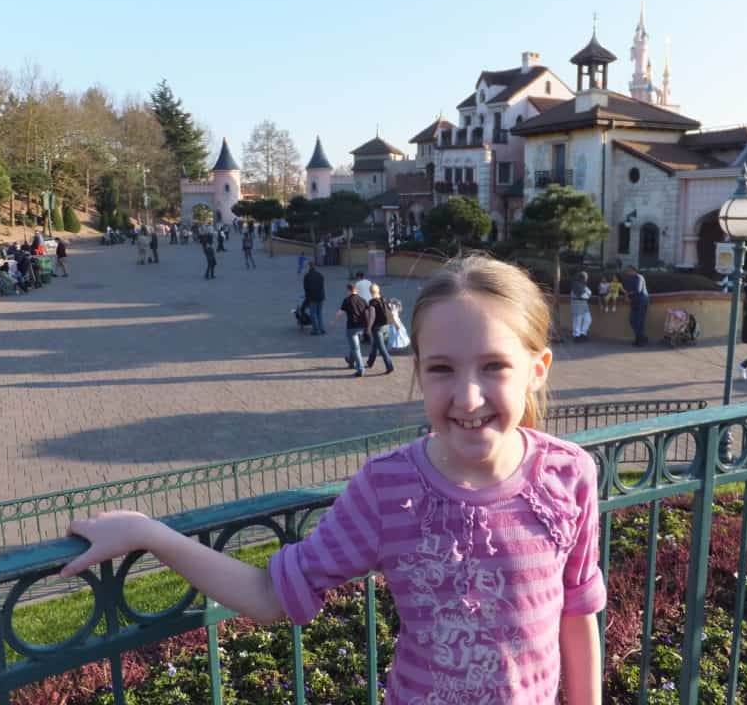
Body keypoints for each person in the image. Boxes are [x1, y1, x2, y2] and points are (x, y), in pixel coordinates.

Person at [60, 255, 605, 704]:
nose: (466, 397)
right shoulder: (389, 489)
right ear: (418, 372)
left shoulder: (569, 474)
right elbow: (270, 596)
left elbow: (578, 611)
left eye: (494, 366)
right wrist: (148, 533)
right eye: (442, 369)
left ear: (538, 368)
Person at [334, 283, 368, 377]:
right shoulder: (362, 300)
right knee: (354, 345)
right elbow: (368, 311)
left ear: (349, 290)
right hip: (362, 326)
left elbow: (340, 313)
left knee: (355, 348)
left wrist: (334, 321)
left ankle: (360, 369)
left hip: (352, 327)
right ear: (356, 290)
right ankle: (350, 361)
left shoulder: (347, 300)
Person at [364, 283, 394, 373]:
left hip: (378, 328)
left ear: (370, 292)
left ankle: (390, 366)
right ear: (378, 290)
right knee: (375, 345)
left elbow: (372, 316)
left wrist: (369, 328)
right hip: (387, 326)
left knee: (382, 349)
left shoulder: (372, 302)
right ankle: (370, 362)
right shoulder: (384, 299)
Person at [623, 266, 649, 346]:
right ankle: (641, 337)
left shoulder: (639, 277)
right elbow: (627, 290)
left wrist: (628, 294)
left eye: (629, 271)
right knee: (632, 320)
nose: (627, 272)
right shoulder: (629, 278)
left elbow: (638, 290)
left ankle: (640, 340)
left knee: (639, 321)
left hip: (642, 300)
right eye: (627, 271)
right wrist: (627, 295)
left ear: (634, 270)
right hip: (634, 301)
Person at [303, 261, 326, 335]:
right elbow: (322, 286)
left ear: (309, 267)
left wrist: (307, 298)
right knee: (319, 313)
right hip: (321, 297)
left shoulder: (307, 276)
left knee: (313, 314)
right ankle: (322, 329)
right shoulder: (320, 275)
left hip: (312, 297)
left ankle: (316, 330)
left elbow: (306, 288)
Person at [570, 271, 592, 342]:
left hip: (584, 305)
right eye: (585, 277)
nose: (586, 278)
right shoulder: (576, 284)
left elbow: (589, 293)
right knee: (577, 321)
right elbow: (584, 295)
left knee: (588, 319)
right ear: (581, 277)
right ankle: (576, 336)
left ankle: (583, 333)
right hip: (577, 304)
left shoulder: (583, 285)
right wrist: (587, 295)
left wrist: (587, 294)